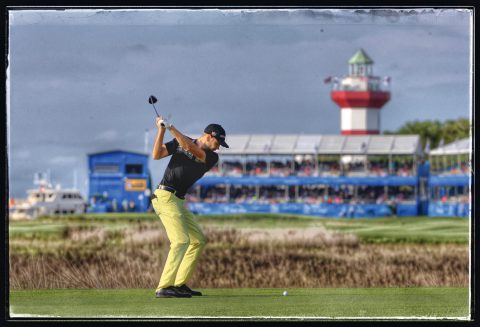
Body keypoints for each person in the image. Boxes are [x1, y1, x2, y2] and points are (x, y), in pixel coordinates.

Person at [150, 115, 229, 298]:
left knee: (198, 240)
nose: (219, 147)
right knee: (180, 241)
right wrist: (161, 130)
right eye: (218, 142)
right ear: (209, 136)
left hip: (177, 200)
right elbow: (157, 155)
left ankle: (179, 284)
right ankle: (164, 287)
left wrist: (171, 127)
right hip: (165, 196)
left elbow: (190, 148)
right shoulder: (180, 142)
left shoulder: (210, 157)